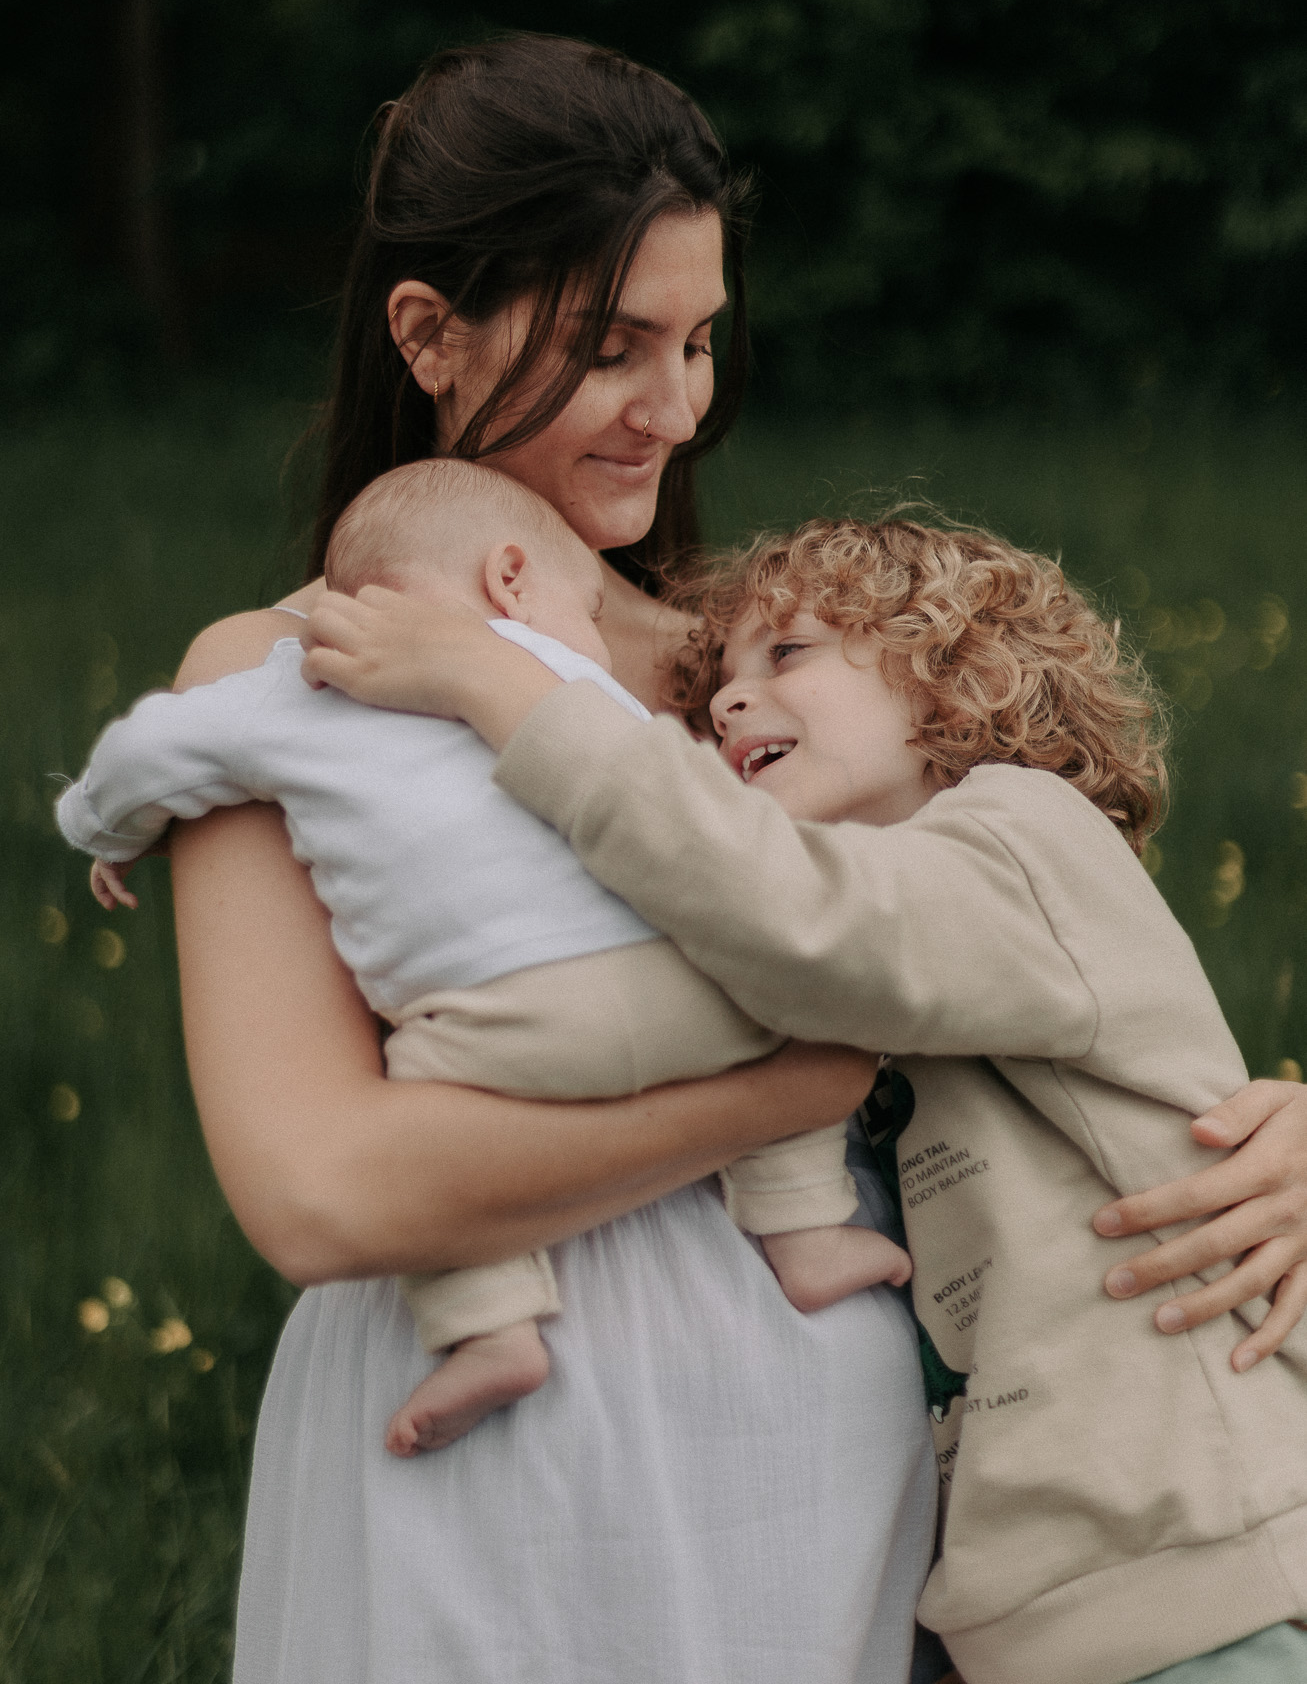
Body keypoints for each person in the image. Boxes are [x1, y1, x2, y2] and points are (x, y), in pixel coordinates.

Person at [154, 33, 1307, 1683]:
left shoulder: (747, 666)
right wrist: (793, 1082)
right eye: (609, 346)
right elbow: (322, 1190)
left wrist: (1266, 1133)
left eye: (696, 341)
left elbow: (1051, 968)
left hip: (825, 1466)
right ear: (429, 332)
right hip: (490, 1446)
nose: (677, 407)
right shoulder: (279, 680)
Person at [299, 511, 1307, 1684]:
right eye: (719, 682)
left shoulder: (1025, 840)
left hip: (1204, 1584)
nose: (730, 702)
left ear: (955, 675)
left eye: (787, 655)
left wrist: (505, 689)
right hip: (1046, 1618)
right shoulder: (882, 943)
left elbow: (789, 912)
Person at [59, 457, 907, 1460]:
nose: (593, 632)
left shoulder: (288, 687)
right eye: (585, 607)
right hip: (683, 988)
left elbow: (151, 752)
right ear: (510, 579)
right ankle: (804, 1230)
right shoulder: (581, 687)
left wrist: (102, 828)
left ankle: (491, 1324)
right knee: (786, 996)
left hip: (503, 1026)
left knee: (416, 1089)